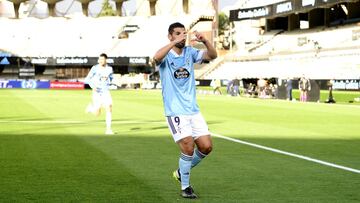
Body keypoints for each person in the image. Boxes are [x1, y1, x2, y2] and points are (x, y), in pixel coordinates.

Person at [153, 22, 217, 199]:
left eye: (184, 33)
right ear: (170, 36)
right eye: (178, 33)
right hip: (175, 111)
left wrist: (205, 41)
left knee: (206, 147)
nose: (182, 36)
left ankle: (181, 172)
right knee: (188, 147)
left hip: (193, 110)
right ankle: (185, 186)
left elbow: (213, 55)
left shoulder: (190, 52)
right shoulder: (166, 54)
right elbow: (156, 57)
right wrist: (174, 43)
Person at [84, 53, 114, 135]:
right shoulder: (95, 68)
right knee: (97, 113)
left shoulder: (110, 69)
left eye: (102, 59)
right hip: (96, 92)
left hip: (106, 92)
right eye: (99, 59)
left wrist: (109, 80)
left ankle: (108, 130)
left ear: (106, 60)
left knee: (109, 107)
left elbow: (111, 78)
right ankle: (90, 108)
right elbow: (87, 79)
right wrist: (92, 86)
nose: (100, 61)